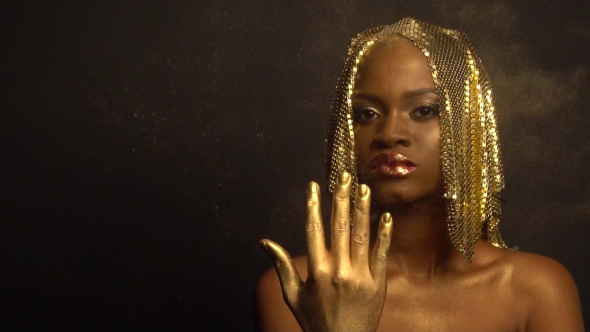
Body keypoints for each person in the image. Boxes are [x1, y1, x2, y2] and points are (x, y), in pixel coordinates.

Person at [255, 18, 584, 331]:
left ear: (469, 126)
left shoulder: (537, 290)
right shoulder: (298, 290)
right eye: (366, 113)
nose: (389, 133)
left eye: (425, 111)